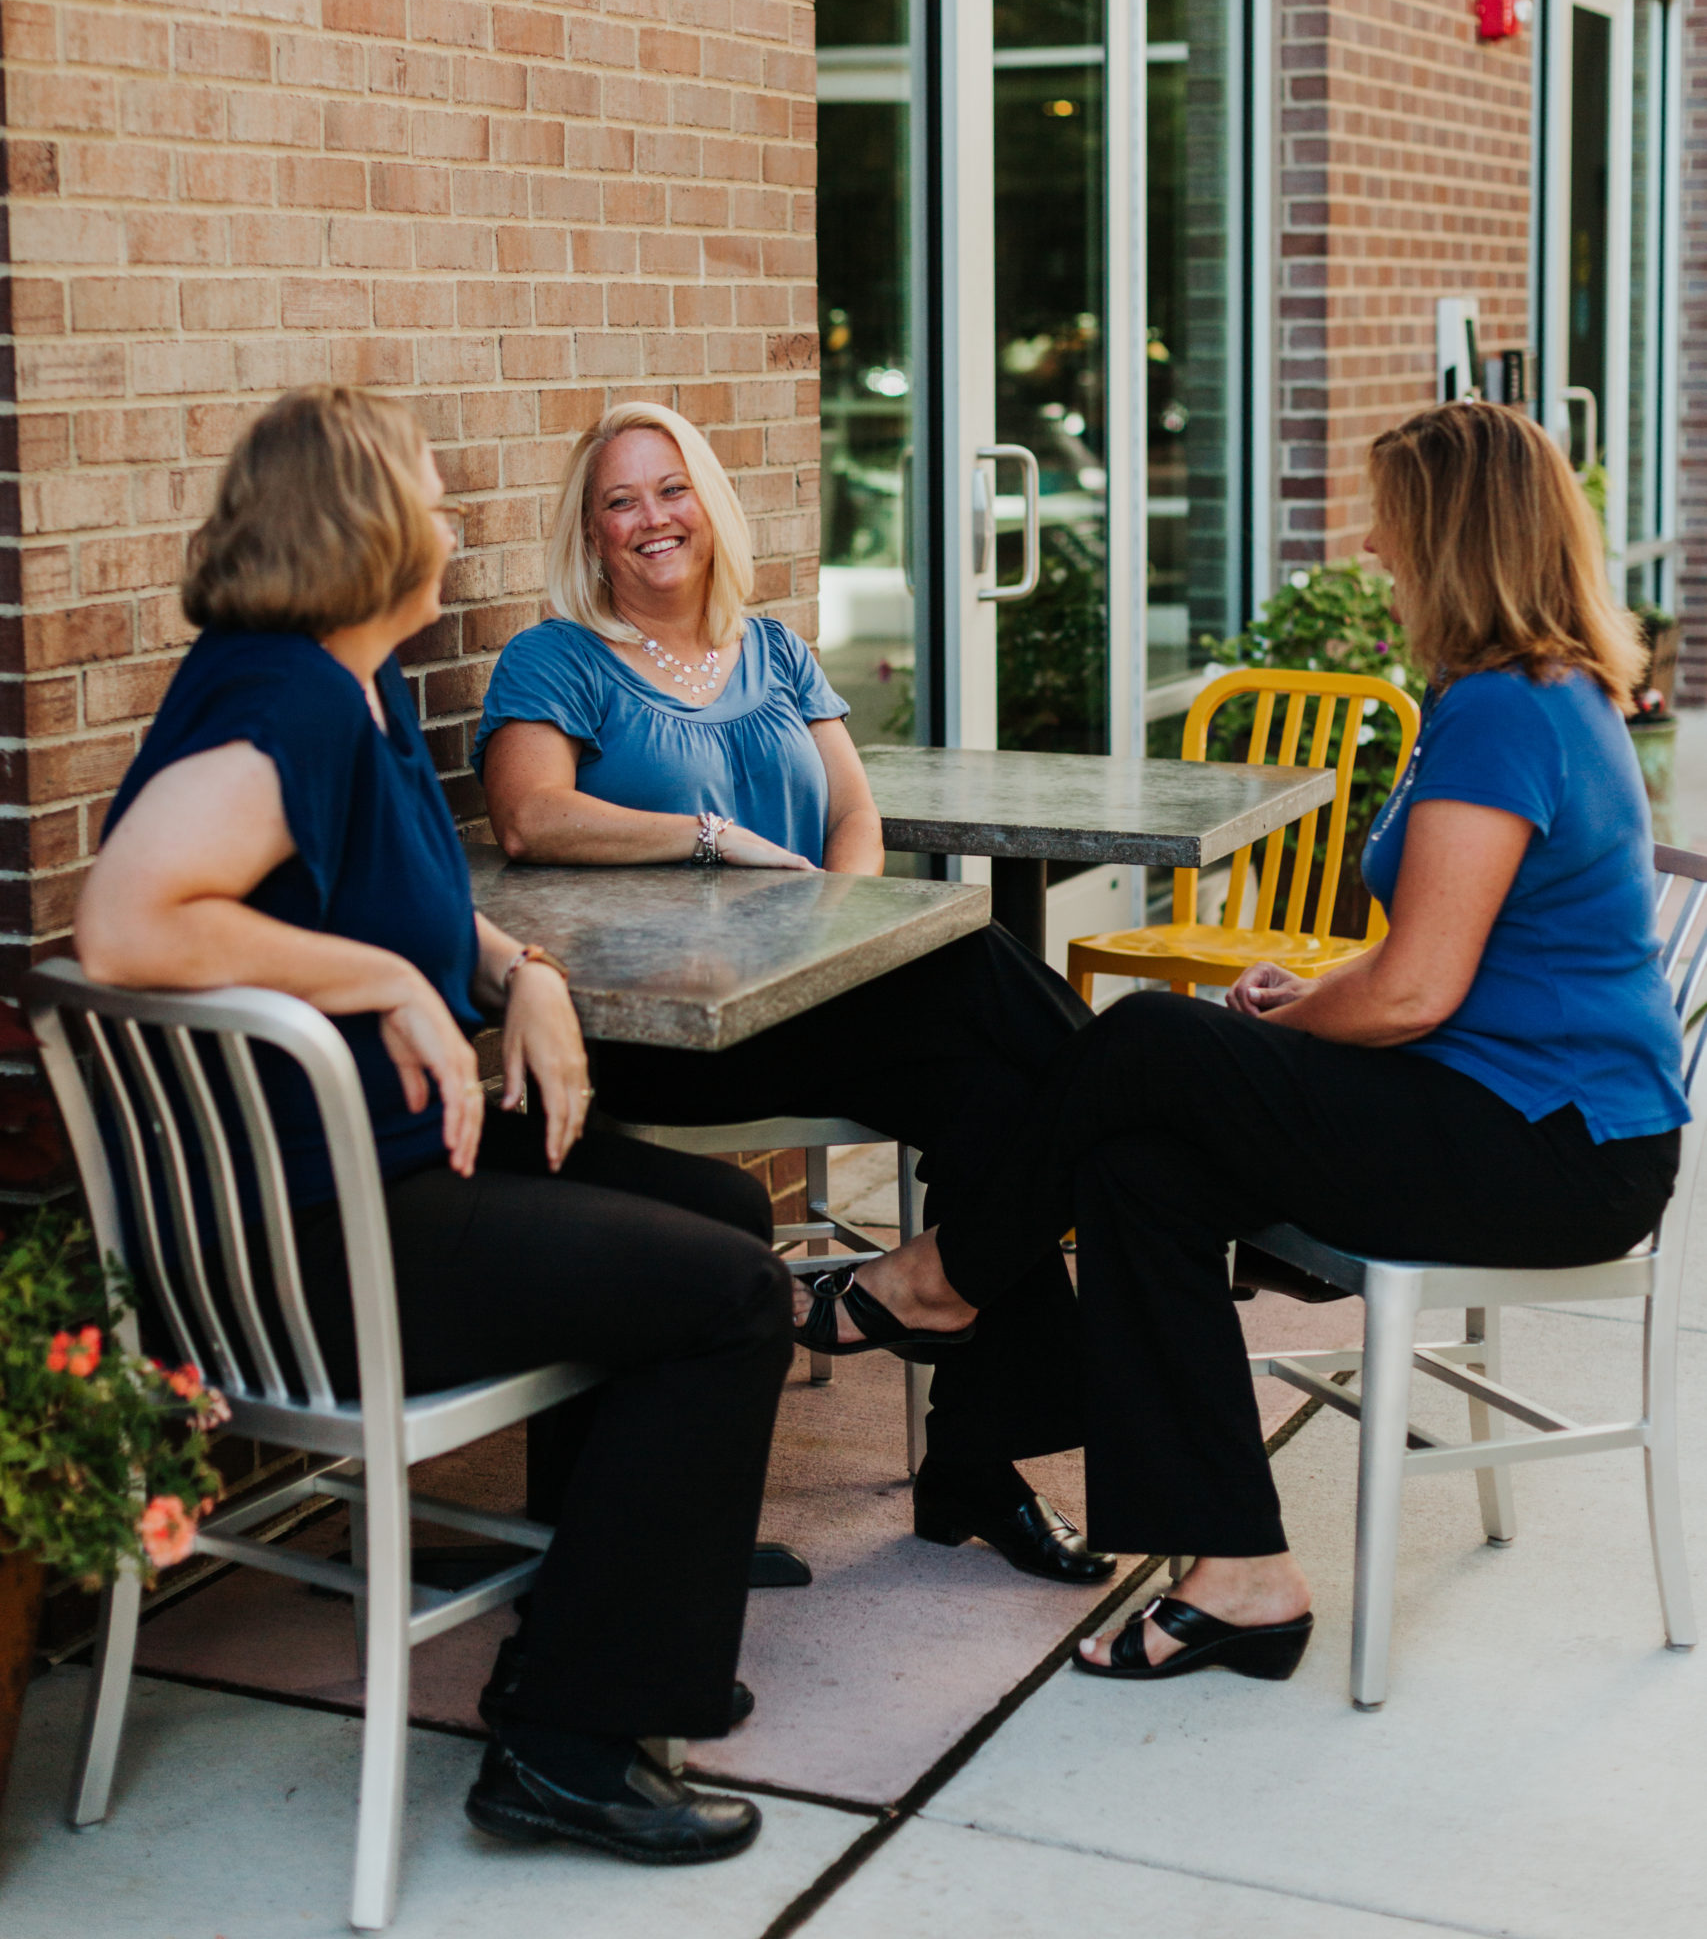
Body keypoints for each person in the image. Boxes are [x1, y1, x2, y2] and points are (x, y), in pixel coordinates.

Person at [828, 400, 1688, 1683]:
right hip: (1491, 1112)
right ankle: (1240, 1572)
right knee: (1138, 1167)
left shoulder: (1511, 709)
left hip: (1553, 1153)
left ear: (1456, 535)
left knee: (1150, 1041)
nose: (1376, 546)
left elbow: (1414, 995)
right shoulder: (1524, 695)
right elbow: (1446, 962)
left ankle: (949, 1274)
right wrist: (1317, 994)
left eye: (1394, 519)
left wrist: (1309, 1009)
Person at [76, 385, 792, 1867]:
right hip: (311, 1241)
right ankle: (566, 1746)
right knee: (730, 1299)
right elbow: (128, 916)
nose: (454, 518)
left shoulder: (358, 687)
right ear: (365, 525)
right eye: (428, 490)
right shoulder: (279, 696)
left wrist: (507, 971)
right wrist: (386, 984)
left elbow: (394, 899)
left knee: (725, 1218)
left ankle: (596, 1607)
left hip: (385, 1175)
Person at [474, 400, 1112, 1587]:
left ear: (708, 504)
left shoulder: (772, 649)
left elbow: (852, 813)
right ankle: (1128, 1123)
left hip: (807, 1001)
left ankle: (972, 1462)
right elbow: (530, 816)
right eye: (620, 500)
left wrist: (845, 920)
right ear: (592, 531)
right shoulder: (556, 656)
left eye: (671, 489)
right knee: (988, 981)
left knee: (995, 1101)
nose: (651, 518)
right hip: (668, 1023)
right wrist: (710, 838)